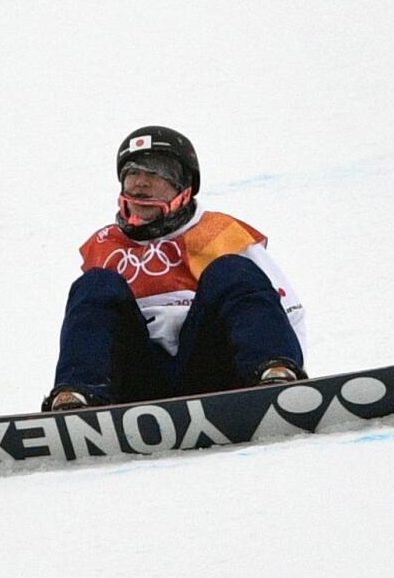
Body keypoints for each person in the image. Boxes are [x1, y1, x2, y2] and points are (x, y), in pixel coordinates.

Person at [43, 126, 307, 411]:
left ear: (184, 186)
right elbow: (89, 328)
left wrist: (287, 367)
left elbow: (285, 312)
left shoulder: (219, 233)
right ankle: (77, 400)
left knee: (232, 270)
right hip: (137, 379)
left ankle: (274, 378)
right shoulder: (105, 244)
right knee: (95, 285)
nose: (141, 182)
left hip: (210, 368)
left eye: (155, 173)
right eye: (133, 173)